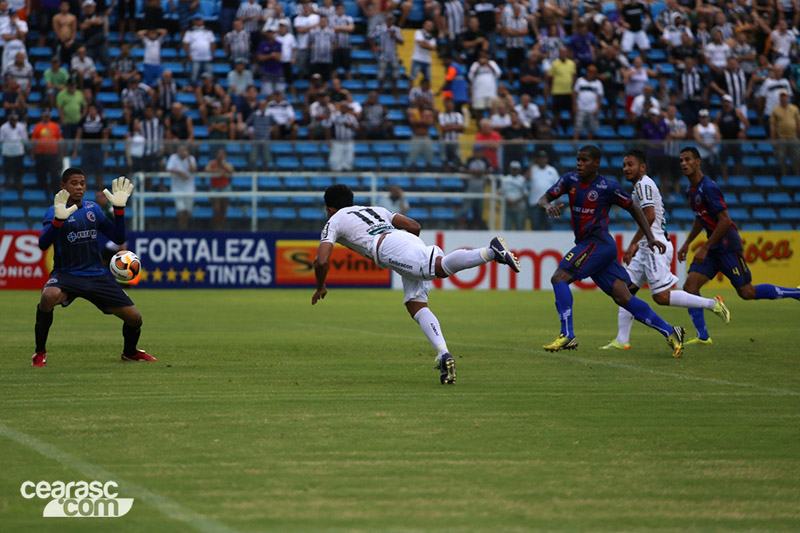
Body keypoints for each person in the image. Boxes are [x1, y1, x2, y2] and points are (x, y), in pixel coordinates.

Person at [311, 184, 521, 384]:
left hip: (389, 247)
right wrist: (407, 252)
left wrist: (320, 286)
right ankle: (443, 353)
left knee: (439, 268)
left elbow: (321, 261)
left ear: (329, 209)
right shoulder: (374, 209)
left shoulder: (334, 220)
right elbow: (414, 226)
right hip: (403, 238)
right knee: (415, 303)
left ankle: (490, 252)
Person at [536, 145, 685, 357]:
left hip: (598, 244)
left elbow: (634, 208)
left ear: (596, 163)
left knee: (559, 278)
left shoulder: (608, 187)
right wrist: (547, 206)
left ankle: (567, 334)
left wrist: (650, 237)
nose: (579, 164)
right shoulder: (569, 180)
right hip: (593, 246)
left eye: (585, 160)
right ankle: (671, 331)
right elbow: (542, 198)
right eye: (578, 159)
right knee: (623, 297)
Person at [600, 150, 730, 351]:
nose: (626, 168)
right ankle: (621, 339)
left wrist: (634, 243)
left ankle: (712, 304)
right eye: (624, 165)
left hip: (654, 247)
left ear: (642, 167)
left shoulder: (643, 184)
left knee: (661, 297)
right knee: (624, 291)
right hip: (647, 247)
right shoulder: (640, 186)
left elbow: (649, 216)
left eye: (630, 164)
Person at [676, 147, 800, 345]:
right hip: (713, 246)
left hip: (727, 245)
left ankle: (795, 293)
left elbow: (725, 221)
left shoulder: (709, 188)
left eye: (687, 159)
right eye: (681, 160)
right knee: (690, 286)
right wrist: (687, 243)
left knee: (746, 292)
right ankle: (703, 336)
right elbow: (700, 218)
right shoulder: (689, 191)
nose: (683, 163)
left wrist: (705, 246)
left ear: (698, 162)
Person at [32, 170, 155, 367]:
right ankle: (39, 352)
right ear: (63, 186)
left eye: (82, 183)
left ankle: (130, 352)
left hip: (96, 276)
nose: (79, 187)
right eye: (74, 183)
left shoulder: (93, 209)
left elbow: (118, 238)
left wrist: (119, 209)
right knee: (47, 297)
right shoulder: (54, 211)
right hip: (67, 275)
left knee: (135, 318)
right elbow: (43, 244)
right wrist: (58, 220)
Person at [31, 109, 63, 199]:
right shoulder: (37, 127)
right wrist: (32, 154)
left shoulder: (55, 126)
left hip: (52, 154)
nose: (46, 117)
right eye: (44, 115)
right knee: (42, 174)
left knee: (54, 174)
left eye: (47, 115)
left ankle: (55, 193)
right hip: (41, 154)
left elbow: (59, 140)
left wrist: (60, 153)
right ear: (42, 116)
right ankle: (45, 192)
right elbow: (34, 141)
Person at [369, 13, 403, 98]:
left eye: (391, 19)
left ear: (394, 20)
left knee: (395, 76)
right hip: (383, 56)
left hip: (393, 56)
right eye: (388, 19)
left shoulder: (396, 30)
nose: (390, 21)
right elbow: (371, 36)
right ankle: (380, 92)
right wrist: (374, 47)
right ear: (386, 20)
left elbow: (402, 42)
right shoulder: (381, 29)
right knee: (380, 76)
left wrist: (394, 36)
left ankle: (395, 92)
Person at [166, 144, 197, 230]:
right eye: (180, 150)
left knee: (187, 212)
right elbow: (169, 169)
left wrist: (188, 160)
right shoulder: (173, 158)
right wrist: (180, 172)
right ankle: (180, 230)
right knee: (181, 211)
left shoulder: (191, 159)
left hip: (189, 189)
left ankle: (185, 230)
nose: (182, 152)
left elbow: (193, 171)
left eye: (184, 150)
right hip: (177, 189)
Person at [770, 89, 800, 175]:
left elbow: (798, 123)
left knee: (797, 157)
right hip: (781, 138)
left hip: (793, 137)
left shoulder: (794, 109)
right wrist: (773, 139)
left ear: (788, 97)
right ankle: (784, 174)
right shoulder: (775, 110)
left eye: (784, 96)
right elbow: (773, 126)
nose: (783, 98)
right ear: (779, 98)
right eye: (781, 96)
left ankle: (797, 174)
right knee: (781, 158)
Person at [527, 150, 557, 230]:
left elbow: (558, 186)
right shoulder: (533, 169)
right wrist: (531, 165)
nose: (542, 160)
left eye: (543, 158)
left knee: (548, 226)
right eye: (540, 158)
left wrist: (558, 199)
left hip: (549, 204)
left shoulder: (552, 170)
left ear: (546, 159)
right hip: (535, 203)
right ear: (537, 159)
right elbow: (527, 178)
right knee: (535, 226)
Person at [206, 147, 233, 231]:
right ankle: (215, 227)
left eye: (222, 154)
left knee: (223, 209)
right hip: (215, 188)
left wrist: (223, 164)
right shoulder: (212, 163)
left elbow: (231, 171)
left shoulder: (227, 164)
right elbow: (207, 170)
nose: (220, 156)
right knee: (216, 209)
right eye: (219, 154)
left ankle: (222, 227)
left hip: (225, 187)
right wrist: (218, 172)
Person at [0, 110, 26, 195]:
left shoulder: (21, 126)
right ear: (9, 119)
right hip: (8, 153)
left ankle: (19, 188)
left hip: (18, 153)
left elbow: (25, 139)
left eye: (14, 119)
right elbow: (1, 140)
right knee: (7, 171)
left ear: (17, 119)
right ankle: (7, 186)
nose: (13, 121)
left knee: (18, 172)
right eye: (11, 119)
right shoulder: (3, 127)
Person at [501, 161, 527, 230]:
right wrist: (508, 200)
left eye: (516, 169)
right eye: (513, 169)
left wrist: (516, 201)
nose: (514, 171)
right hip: (508, 206)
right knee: (507, 227)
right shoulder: (505, 179)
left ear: (519, 170)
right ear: (510, 169)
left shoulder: (522, 179)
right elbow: (501, 193)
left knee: (520, 227)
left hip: (519, 207)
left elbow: (525, 193)